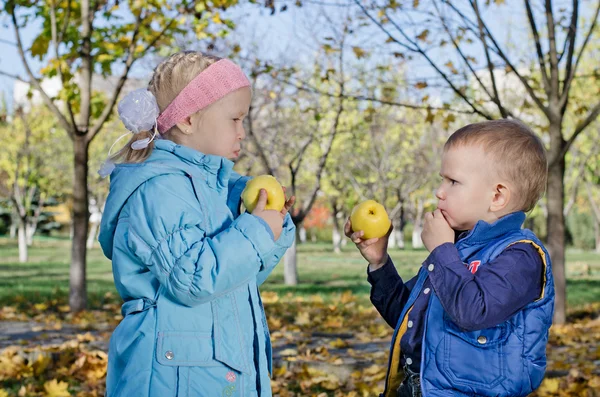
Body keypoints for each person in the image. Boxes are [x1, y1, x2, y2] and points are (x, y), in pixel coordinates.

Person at [98, 51, 296, 397]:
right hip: (172, 380)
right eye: (235, 119)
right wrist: (255, 231)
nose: (243, 132)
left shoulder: (216, 190)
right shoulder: (159, 188)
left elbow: (234, 281)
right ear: (188, 119)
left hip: (211, 375)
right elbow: (192, 278)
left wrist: (273, 229)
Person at [345, 119, 554, 397]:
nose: (439, 191)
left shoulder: (521, 257)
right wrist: (379, 261)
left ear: (498, 196)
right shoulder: (456, 251)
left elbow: (473, 311)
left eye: (453, 181)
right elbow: (406, 316)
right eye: (442, 180)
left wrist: (442, 251)